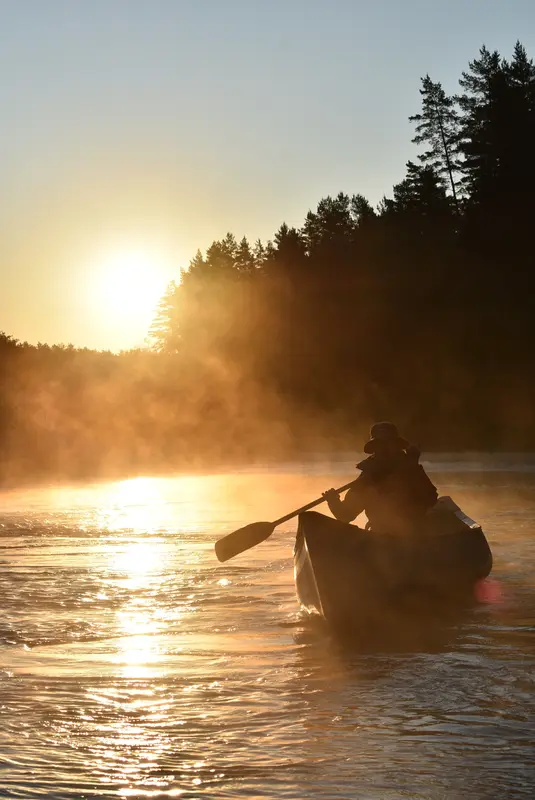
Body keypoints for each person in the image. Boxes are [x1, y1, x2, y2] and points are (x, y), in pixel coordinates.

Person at [323, 422, 438, 534]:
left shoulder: (410, 468)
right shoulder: (367, 478)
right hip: (380, 534)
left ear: (397, 446)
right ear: (374, 449)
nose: (385, 449)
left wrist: (413, 468)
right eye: (380, 445)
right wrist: (333, 501)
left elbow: (431, 498)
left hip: (412, 534)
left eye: (389, 444)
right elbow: (346, 515)